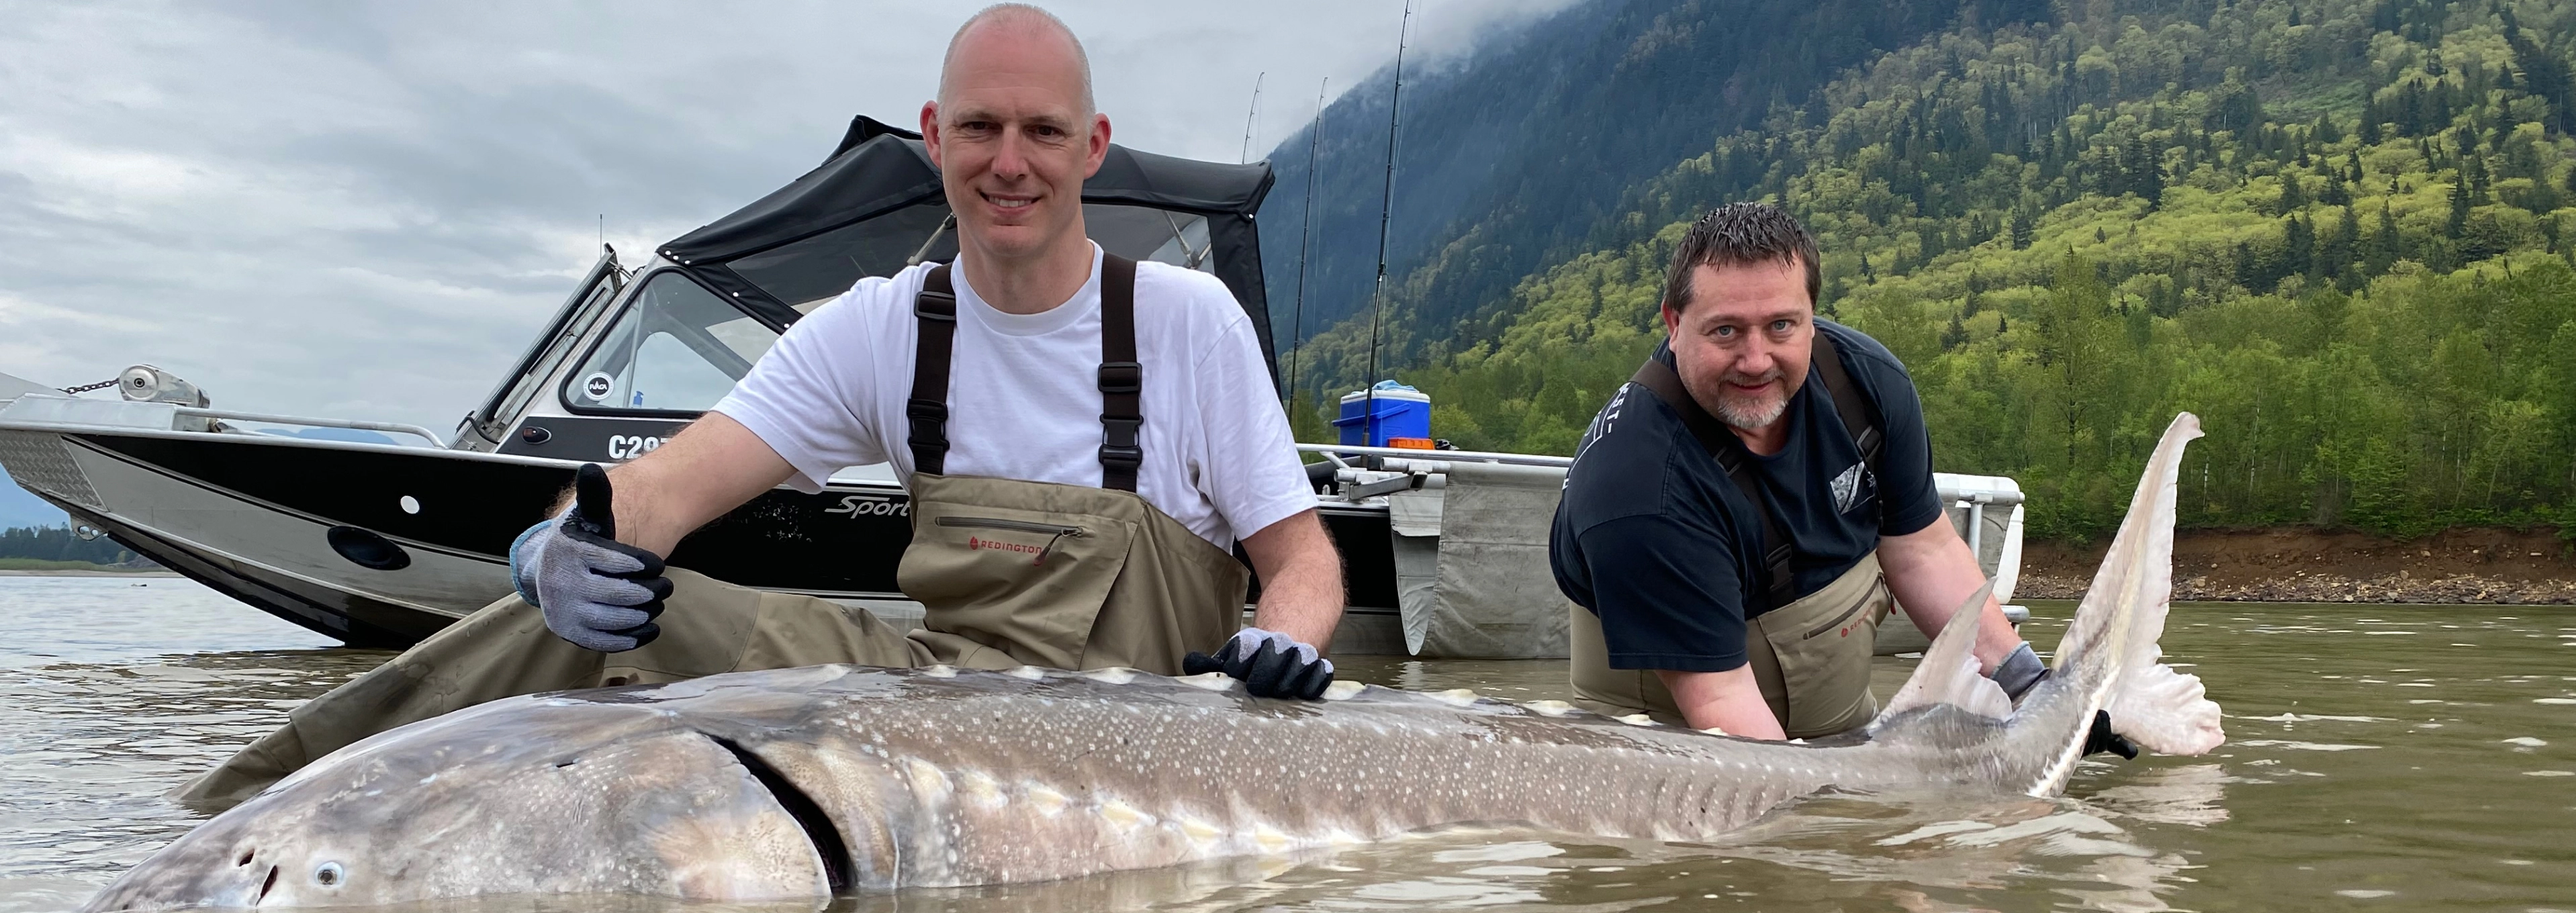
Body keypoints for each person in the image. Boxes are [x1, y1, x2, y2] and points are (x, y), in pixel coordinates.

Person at [179, 3, 1345, 810]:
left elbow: (1301, 562)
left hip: (1145, 729)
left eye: (1041, 131)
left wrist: (1280, 644)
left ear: (1091, 148)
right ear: (934, 137)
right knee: (589, 619)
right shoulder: (882, 325)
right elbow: (658, 495)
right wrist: (553, 548)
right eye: (980, 127)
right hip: (931, 699)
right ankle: (253, 820)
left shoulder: (1187, 323)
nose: (1009, 161)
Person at [1549, 203, 2050, 740]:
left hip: (1843, 731)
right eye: (1726, 331)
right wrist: (1827, 818)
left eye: (1781, 325)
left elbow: (1924, 550)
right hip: (1678, 757)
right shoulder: (1640, 486)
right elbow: (1723, 704)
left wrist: (2035, 691)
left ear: (1812, 316)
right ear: (1675, 323)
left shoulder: (1867, 386)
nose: (1757, 359)